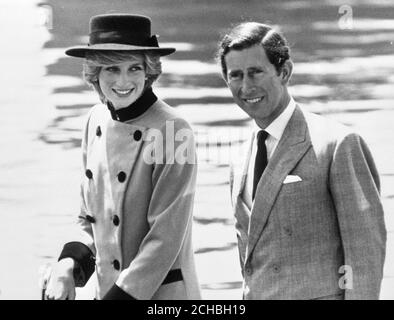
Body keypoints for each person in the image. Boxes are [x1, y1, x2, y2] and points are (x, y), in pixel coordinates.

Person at [217, 22, 386, 300]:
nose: (246, 86)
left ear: (284, 72)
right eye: (235, 75)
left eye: (255, 72)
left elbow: (365, 258)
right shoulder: (239, 156)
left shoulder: (337, 145)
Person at [44, 14, 201, 300]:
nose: (124, 81)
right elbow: (87, 218)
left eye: (134, 69)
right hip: (106, 291)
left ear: (148, 72)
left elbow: (164, 240)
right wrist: (66, 264)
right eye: (112, 69)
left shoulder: (175, 131)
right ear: (96, 74)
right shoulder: (95, 120)